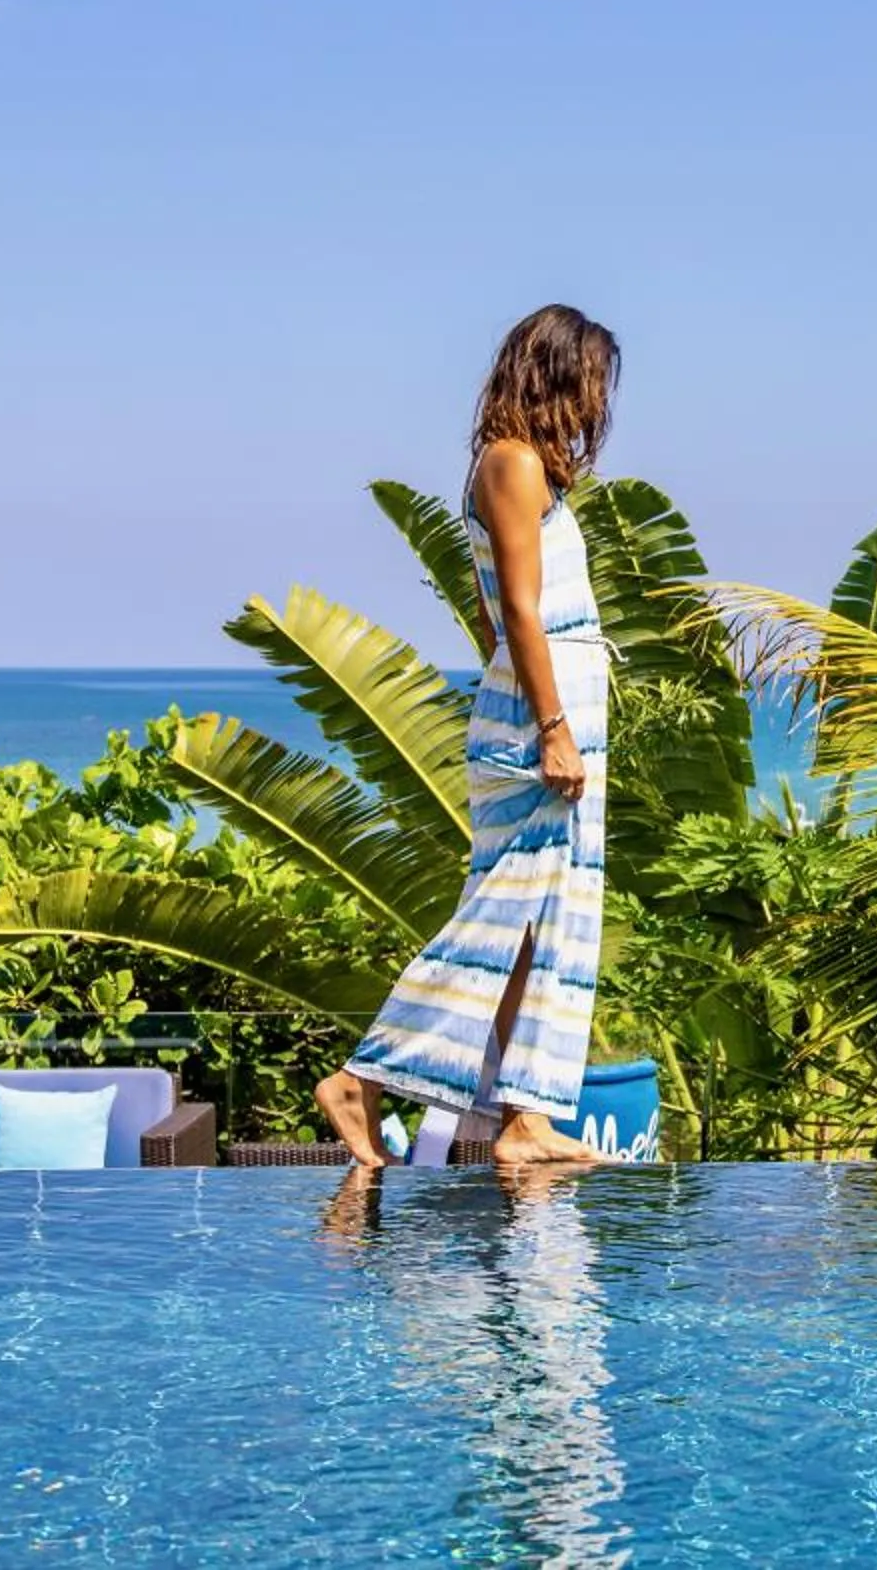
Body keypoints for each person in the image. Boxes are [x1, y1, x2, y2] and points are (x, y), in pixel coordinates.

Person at [316, 305, 624, 1167]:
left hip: (543, 702)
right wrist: (554, 728)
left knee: (538, 921)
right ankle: (362, 1080)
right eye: (592, 377)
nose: (599, 399)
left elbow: (497, 618)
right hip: (542, 715)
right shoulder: (513, 464)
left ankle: (523, 1119)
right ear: (556, 373)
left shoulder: (516, 467)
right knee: (498, 915)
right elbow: (519, 613)